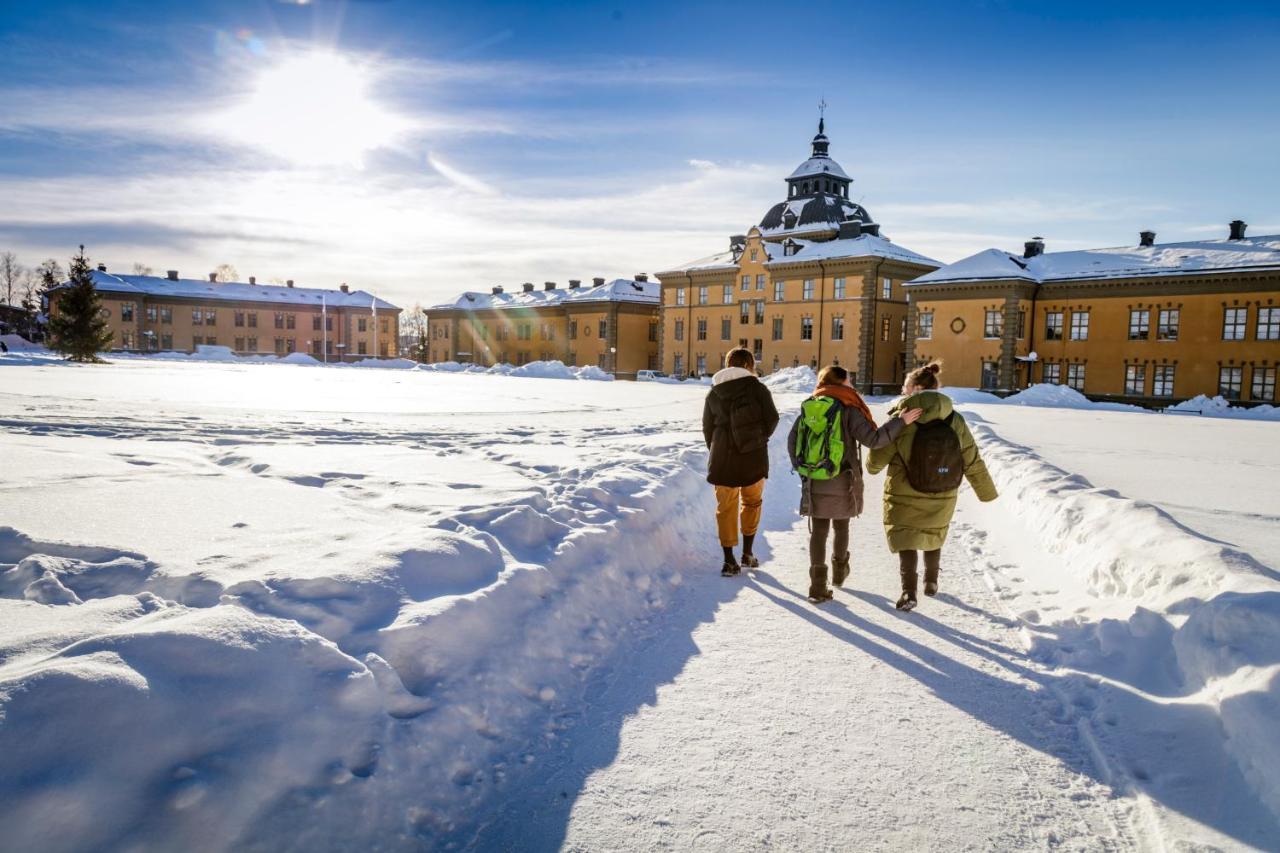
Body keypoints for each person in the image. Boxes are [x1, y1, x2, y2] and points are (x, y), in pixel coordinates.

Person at [867, 361, 998, 611]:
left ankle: (908, 591)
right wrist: (986, 492)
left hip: (904, 490)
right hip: (943, 489)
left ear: (916, 388)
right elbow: (971, 456)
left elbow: (878, 457)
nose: (903, 391)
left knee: (907, 537)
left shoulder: (903, 418)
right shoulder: (954, 418)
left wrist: (872, 467)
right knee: (933, 533)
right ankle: (931, 581)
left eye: (906, 387)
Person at [787, 365, 922, 602]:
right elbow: (874, 439)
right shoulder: (848, 408)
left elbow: (792, 442)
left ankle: (817, 587)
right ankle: (839, 572)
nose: (852, 384)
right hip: (843, 479)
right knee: (841, 526)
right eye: (849, 380)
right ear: (841, 382)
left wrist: (806, 473)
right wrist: (900, 422)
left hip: (815, 478)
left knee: (819, 531)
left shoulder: (810, 407)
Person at [703, 347, 780, 577]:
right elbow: (772, 419)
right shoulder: (757, 388)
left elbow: (707, 427)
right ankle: (747, 553)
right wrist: (758, 438)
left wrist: (716, 448)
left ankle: (729, 561)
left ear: (728, 364)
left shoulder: (714, 391)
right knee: (752, 502)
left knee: (725, 507)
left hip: (722, 457)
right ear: (749, 365)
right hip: (753, 455)